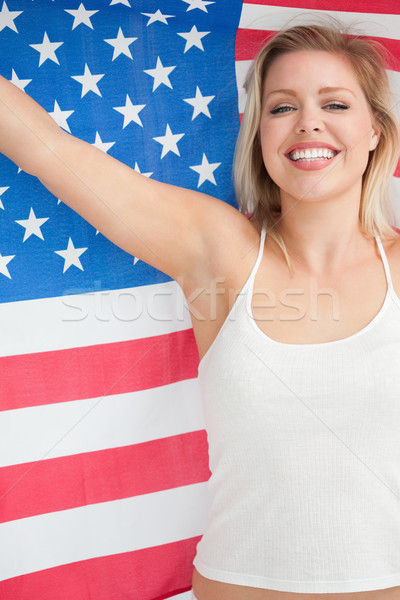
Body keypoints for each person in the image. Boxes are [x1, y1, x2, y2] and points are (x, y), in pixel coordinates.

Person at [1, 16, 400, 600]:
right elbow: (47, 150)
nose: (308, 121)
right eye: (281, 107)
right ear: (261, 136)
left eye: (335, 104)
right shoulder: (220, 249)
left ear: (374, 133)